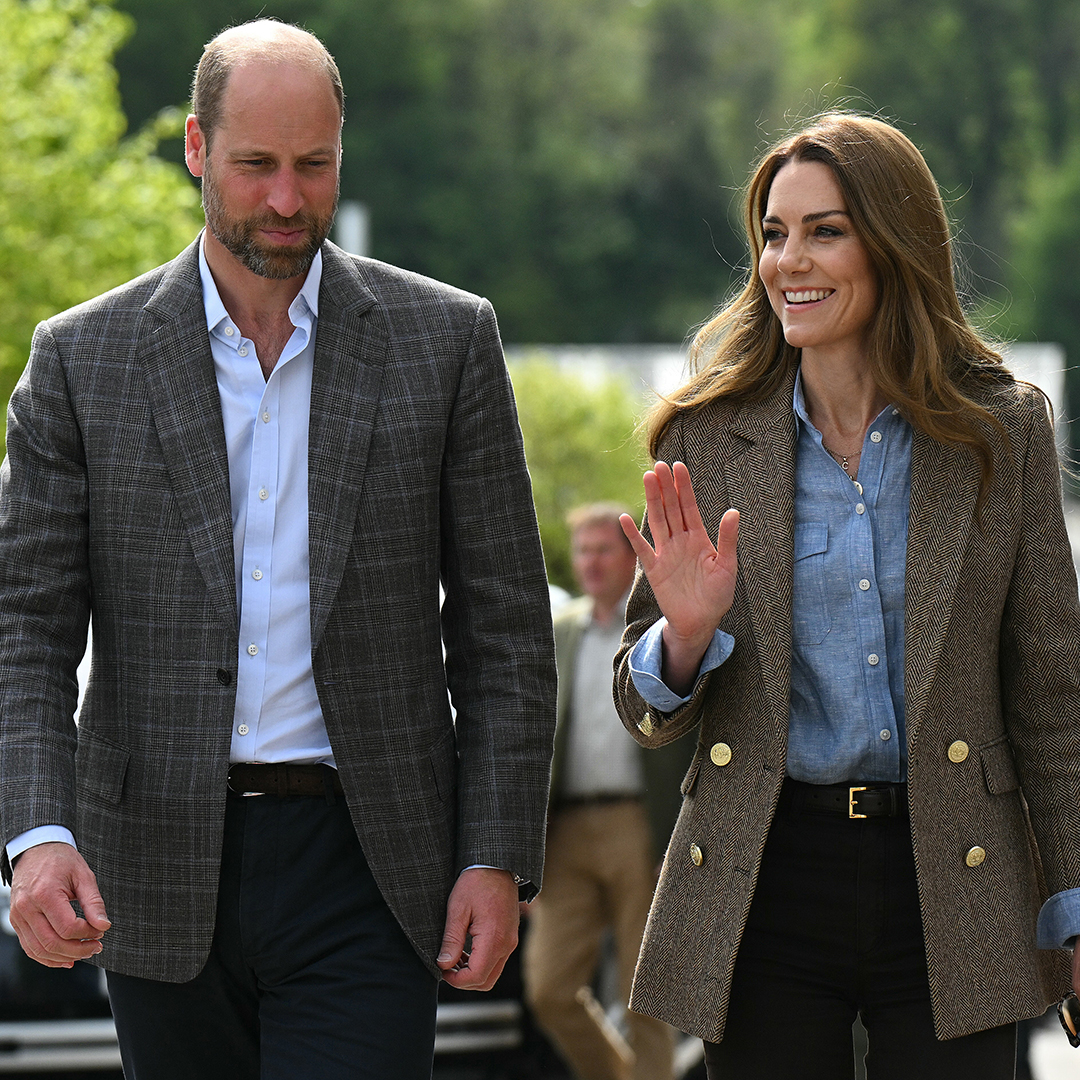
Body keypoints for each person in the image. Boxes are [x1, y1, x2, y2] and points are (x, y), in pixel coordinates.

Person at [0, 20, 556, 1080]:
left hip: (372, 862)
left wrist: (497, 855)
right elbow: (25, 629)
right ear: (199, 150)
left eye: (315, 165)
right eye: (257, 165)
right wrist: (35, 834)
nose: (289, 200)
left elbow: (504, 631)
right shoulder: (82, 361)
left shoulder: (447, 342)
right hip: (155, 862)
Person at [614, 112, 1080, 1079]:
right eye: (775, 234)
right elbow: (640, 707)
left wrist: (1076, 902)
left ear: (895, 242)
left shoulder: (1003, 431)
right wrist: (684, 640)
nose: (791, 260)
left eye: (825, 230)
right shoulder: (704, 439)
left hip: (960, 878)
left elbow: (1054, 697)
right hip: (764, 880)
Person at [523, 504, 688, 1080]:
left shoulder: (659, 627)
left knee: (645, 991)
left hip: (638, 822)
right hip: (563, 830)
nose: (591, 562)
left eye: (604, 550)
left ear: (632, 557)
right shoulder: (559, 630)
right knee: (549, 988)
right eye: (584, 550)